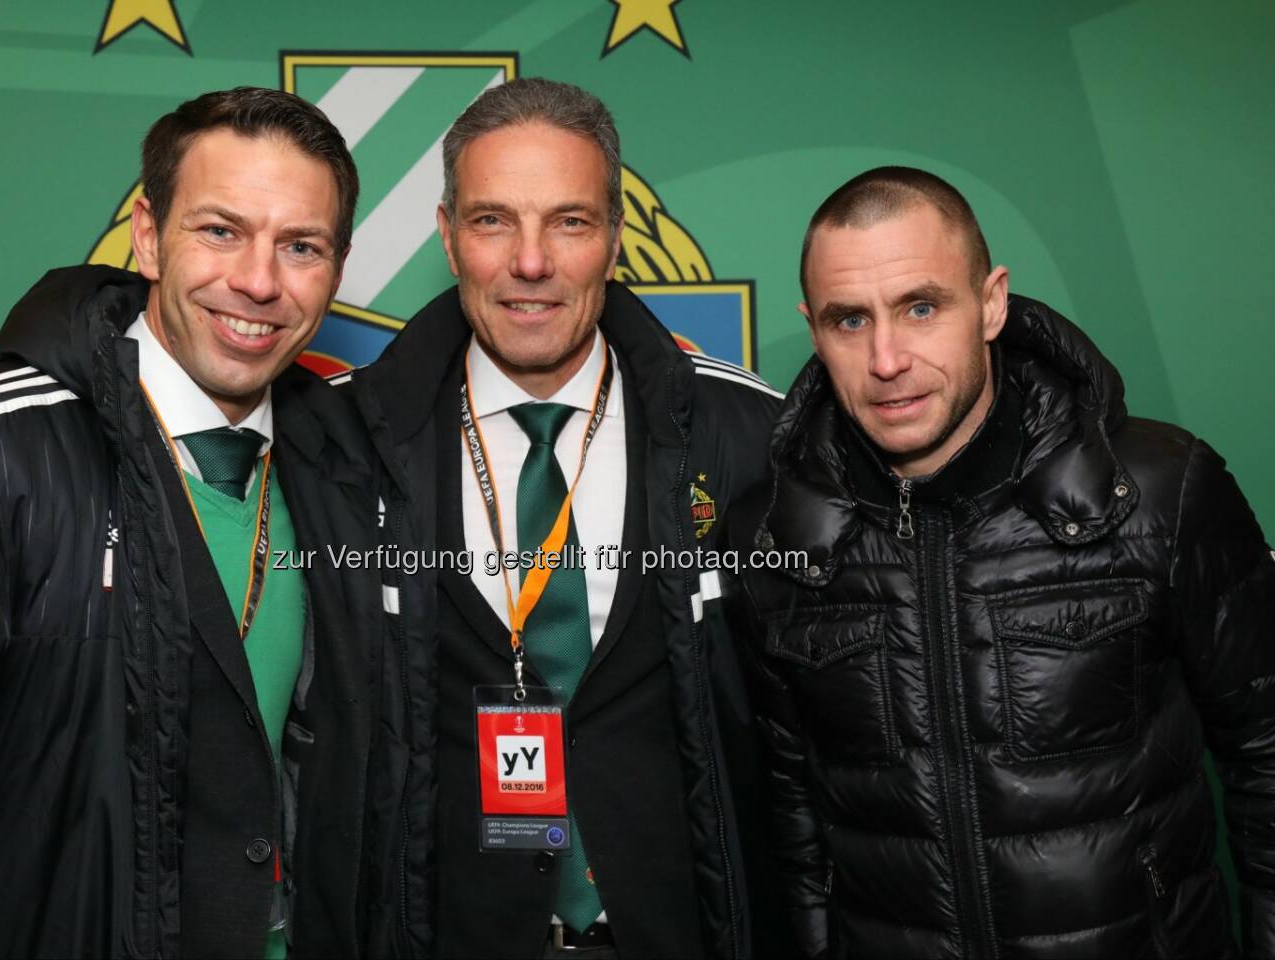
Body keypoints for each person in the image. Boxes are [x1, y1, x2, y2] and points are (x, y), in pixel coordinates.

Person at [0, 87, 382, 957]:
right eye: (220, 230)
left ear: (338, 268)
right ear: (148, 234)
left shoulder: (344, 477)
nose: (258, 280)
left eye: (301, 246)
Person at [728, 165, 1275, 958]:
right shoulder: (772, 540)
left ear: (990, 303)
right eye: (851, 321)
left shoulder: (1161, 490)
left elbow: (1265, 754)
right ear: (813, 329)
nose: (886, 359)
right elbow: (795, 822)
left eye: (920, 307)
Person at [336, 78, 782, 959]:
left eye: (570, 222)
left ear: (615, 240)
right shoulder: (346, 444)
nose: (530, 262)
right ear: (448, 234)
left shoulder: (747, 434)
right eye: (493, 219)